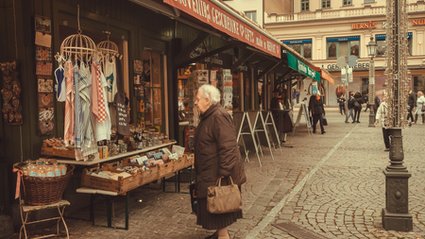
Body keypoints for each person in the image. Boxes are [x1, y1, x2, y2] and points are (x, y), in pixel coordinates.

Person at [193, 84, 246, 239]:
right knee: (216, 210)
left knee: (219, 206)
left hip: (217, 174)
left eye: (197, 99)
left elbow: (229, 148)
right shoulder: (209, 116)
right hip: (210, 171)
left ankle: (223, 236)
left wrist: (222, 175)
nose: (195, 102)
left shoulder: (218, 116)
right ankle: (220, 233)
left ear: (207, 100)